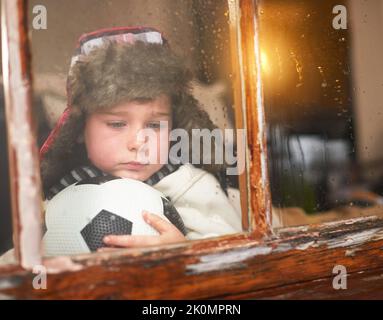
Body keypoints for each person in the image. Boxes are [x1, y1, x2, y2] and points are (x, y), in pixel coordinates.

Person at [39, 26, 243, 250]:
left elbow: (234, 255)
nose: (139, 142)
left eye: (154, 125)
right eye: (117, 124)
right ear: (79, 130)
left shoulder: (193, 187)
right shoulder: (61, 193)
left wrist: (184, 251)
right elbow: (20, 261)